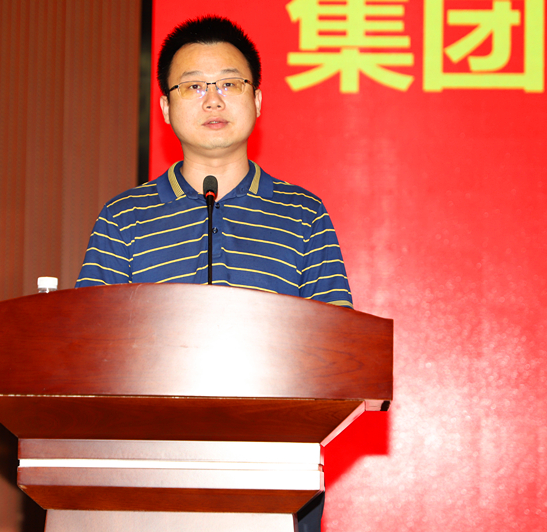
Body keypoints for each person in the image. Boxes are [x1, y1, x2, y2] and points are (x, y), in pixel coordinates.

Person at [75, 15, 349, 530]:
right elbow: (85, 350)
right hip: (146, 467)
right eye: (194, 86)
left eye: (229, 83)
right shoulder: (123, 217)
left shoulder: (303, 213)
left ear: (257, 99)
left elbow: (340, 348)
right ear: (165, 107)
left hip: (276, 465)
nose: (213, 100)